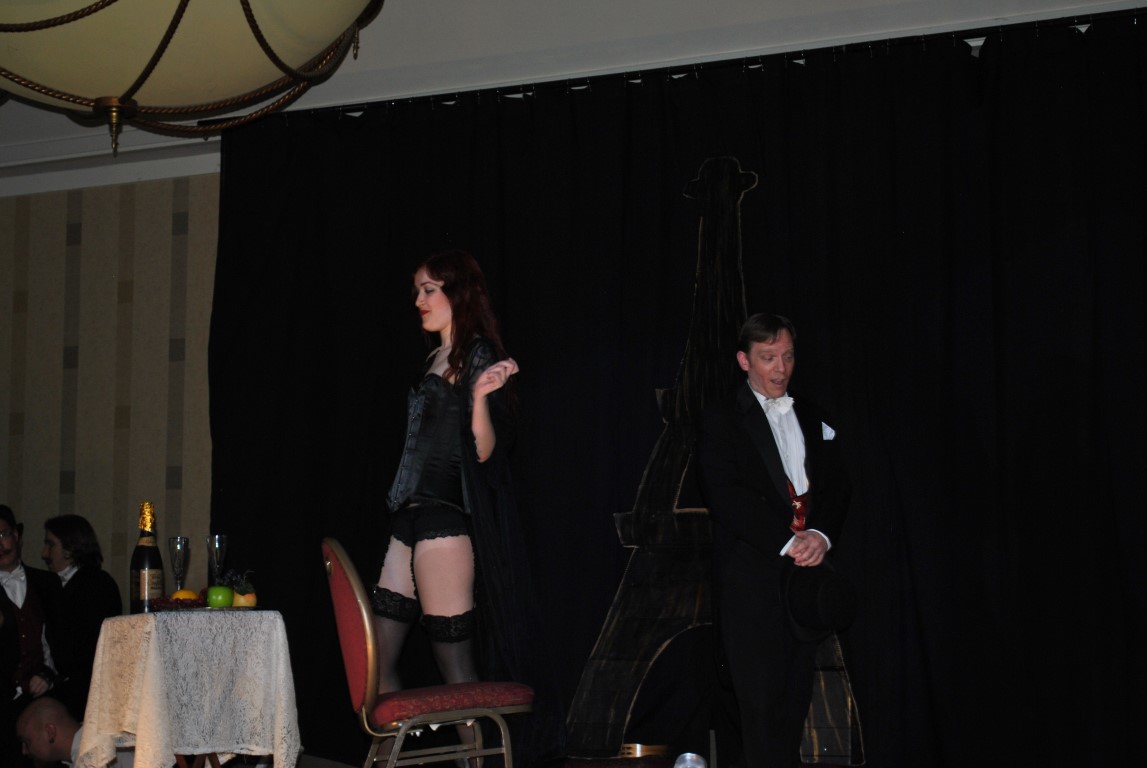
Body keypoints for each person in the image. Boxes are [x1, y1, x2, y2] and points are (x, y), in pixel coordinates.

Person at [369, 250, 564, 765]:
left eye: (429, 289)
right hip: (407, 519)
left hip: (444, 522)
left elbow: (482, 453)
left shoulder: (477, 355)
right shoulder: (434, 358)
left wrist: (477, 397)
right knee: (378, 661)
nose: (419, 300)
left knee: (456, 670)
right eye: (416, 290)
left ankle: (475, 762)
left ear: (458, 294)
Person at [698, 314, 850, 768]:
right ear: (744, 361)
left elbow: (838, 485)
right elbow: (725, 495)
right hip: (752, 579)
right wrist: (787, 542)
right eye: (768, 358)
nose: (780, 368)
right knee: (760, 707)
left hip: (804, 581)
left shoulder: (812, 412)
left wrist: (820, 535)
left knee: (795, 701)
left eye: (787, 356)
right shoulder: (721, 418)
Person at [41, 514, 123, 720]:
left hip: (87, 696)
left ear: (70, 548)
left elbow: (81, 654)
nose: (44, 553)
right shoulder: (58, 585)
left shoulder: (95, 585)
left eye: (51, 545)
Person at [1, 505, 60, 766]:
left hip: (41, 703)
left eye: (3, 535)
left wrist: (48, 675)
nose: (0, 545)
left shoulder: (47, 583)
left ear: (16, 535)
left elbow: (60, 644)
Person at [16, 695, 134, 767]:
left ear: (50, 732)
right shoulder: (106, 729)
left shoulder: (90, 759)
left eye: (27, 742)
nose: (24, 751)